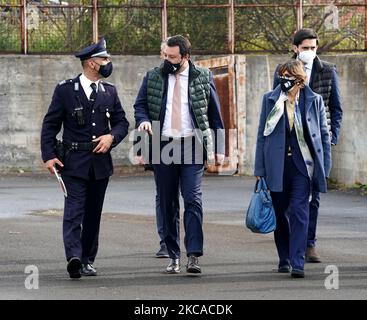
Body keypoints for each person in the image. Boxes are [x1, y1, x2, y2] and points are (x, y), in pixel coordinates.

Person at [134, 35, 225, 274]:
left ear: (185, 56)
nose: (167, 60)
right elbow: (140, 106)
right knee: (167, 202)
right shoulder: (153, 76)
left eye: (172, 56)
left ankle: (193, 255)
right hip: (162, 145)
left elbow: (215, 114)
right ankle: (173, 255)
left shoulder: (203, 77)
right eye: (165, 55)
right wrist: (143, 127)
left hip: (192, 145)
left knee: (193, 200)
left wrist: (220, 149)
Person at [40, 38, 129, 279]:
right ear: (91, 63)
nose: (108, 63)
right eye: (104, 59)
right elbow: (50, 124)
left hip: (100, 165)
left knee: (92, 214)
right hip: (73, 162)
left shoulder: (109, 92)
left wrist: (112, 137)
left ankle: (88, 259)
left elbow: (122, 122)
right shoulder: (66, 90)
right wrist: (48, 156)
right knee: (74, 211)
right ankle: (74, 258)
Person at [255, 59, 331, 278]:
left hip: (303, 165)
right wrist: (260, 169)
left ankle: (298, 262)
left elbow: (323, 136)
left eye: (289, 77)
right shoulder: (270, 99)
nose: (284, 81)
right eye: (282, 76)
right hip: (276, 165)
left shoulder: (313, 100)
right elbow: (262, 135)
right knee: (280, 213)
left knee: (300, 211)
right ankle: (284, 258)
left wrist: (324, 168)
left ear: (300, 79)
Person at [273, 28, 343, 263]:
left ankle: (309, 243)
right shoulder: (283, 70)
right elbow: (275, 102)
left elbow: (336, 107)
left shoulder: (328, 70)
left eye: (313, 48)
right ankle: (294, 244)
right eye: (305, 48)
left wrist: (331, 137)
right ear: (295, 48)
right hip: (290, 144)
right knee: (288, 200)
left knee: (314, 195)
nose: (310, 52)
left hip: (318, 143)